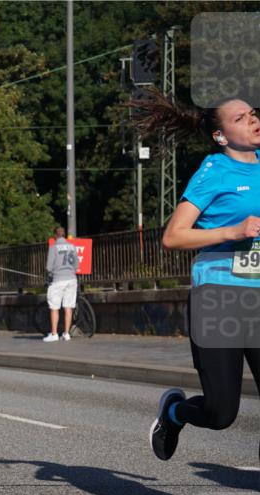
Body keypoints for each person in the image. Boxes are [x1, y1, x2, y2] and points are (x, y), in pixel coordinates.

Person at [127, 92, 260, 462]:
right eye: (239, 119)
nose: (252, 120)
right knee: (221, 413)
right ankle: (173, 413)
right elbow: (173, 236)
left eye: (252, 113)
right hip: (219, 299)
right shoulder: (214, 170)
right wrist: (231, 231)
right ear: (221, 136)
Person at [43, 226, 80, 342]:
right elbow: (77, 265)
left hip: (58, 279)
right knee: (68, 307)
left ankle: (54, 334)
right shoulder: (72, 247)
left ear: (55, 235)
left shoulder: (53, 247)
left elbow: (49, 267)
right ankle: (66, 333)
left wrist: (52, 272)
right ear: (64, 235)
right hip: (72, 279)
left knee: (54, 307)